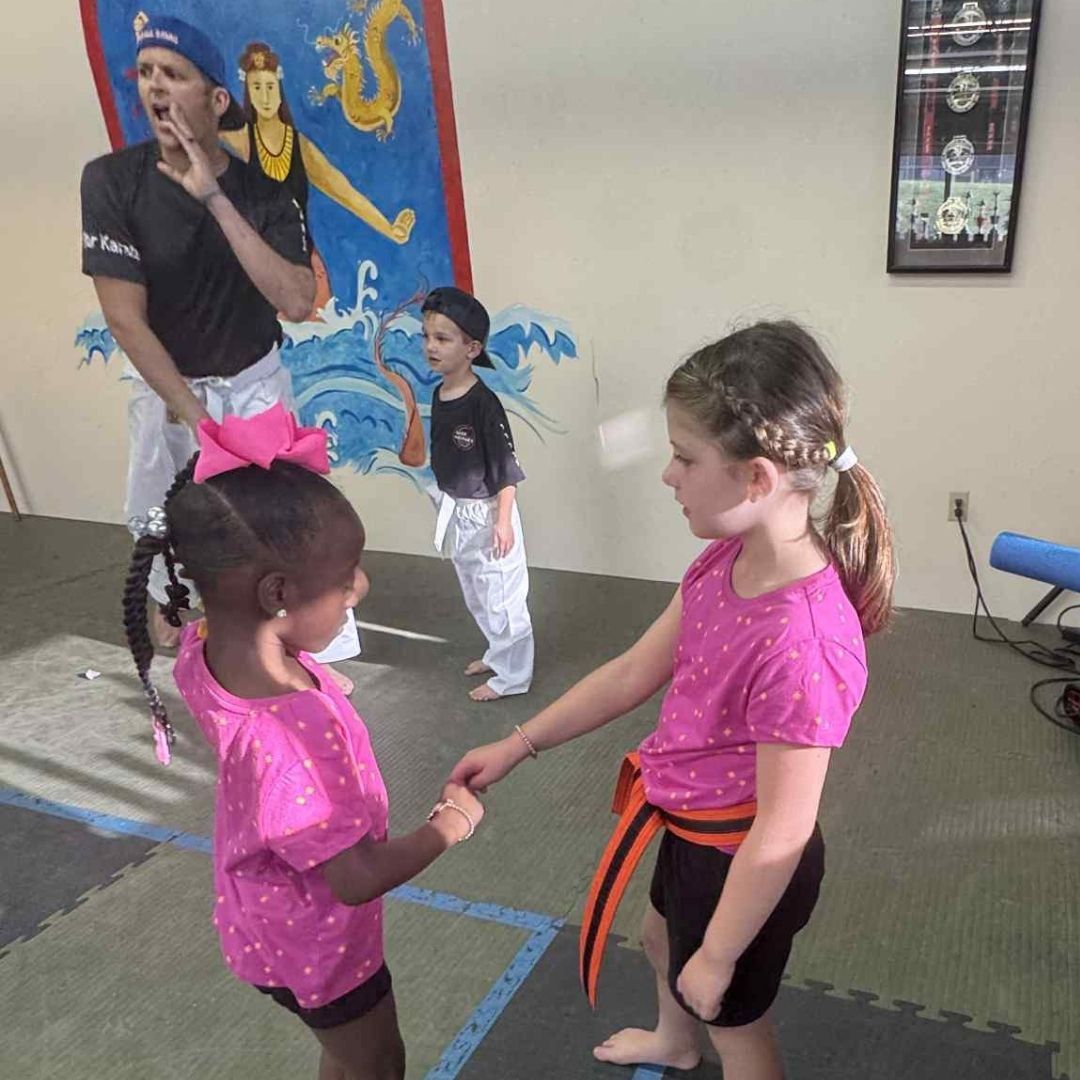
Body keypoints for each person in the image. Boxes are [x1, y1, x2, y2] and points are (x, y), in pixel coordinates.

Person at [451, 321, 895, 1078]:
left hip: (743, 860)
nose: (668, 474)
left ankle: (701, 1027)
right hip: (689, 829)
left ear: (757, 478)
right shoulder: (725, 559)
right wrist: (518, 743)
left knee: (736, 1025)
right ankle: (674, 1040)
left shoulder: (805, 642)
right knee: (660, 940)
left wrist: (720, 955)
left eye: (685, 458)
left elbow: (783, 832)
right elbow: (630, 673)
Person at [122, 404, 484, 1080]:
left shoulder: (204, 653)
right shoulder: (295, 739)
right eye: (348, 573)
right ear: (278, 592)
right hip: (317, 941)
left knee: (345, 1053)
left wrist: (315, 682)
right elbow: (356, 877)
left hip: (259, 915)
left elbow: (248, 650)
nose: (360, 587)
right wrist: (448, 827)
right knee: (377, 1060)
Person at [79, 14, 358, 674]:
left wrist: (214, 198)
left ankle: (301, 641)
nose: (156, 87)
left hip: (254, 384)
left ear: (217, 99)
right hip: (167, 390)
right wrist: (197, 419)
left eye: (173, 74)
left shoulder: (262, 191)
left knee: (284, 522)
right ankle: (174, 612)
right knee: (159, 517)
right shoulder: (111, 182)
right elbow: (125, 319)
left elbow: (294, 300)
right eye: (145, 73)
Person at [221, 41, 416, 322]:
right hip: (258, 266)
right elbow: (197, 113)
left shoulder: (301, 147)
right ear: (248, 94)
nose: (264, 97)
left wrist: (389, 228)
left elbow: (344, 191)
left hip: (303, 267)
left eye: (270, 87)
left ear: (280, 91)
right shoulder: (242, 139)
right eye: (256, 88)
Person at [422, 286, 534, 702]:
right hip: (458, 510)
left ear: (471, 348)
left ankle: (513, 676)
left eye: (443, 339)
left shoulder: (483, 404)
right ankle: (498, 653)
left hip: (489, 512)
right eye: (427, 336)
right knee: (477, 591)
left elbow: (506, 469)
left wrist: (503, 520)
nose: (431, 347)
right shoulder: (440, 394)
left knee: (502, 594)